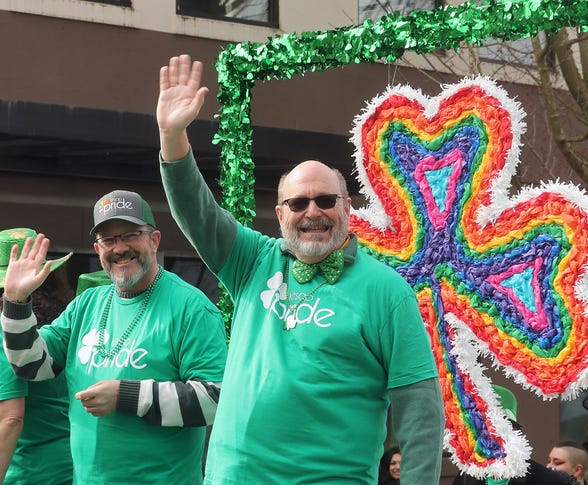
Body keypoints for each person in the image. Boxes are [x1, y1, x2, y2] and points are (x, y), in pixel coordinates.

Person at [157, 54, 445, 483]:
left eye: (326, 200)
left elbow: (420, 410)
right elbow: (196, 211)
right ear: (279, 213)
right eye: (298, 202)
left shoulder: (386, 291)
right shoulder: (254, 260)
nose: (313, 212)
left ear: (347, 209)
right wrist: (172, 135)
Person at [1, 192, 228, 484]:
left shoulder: (191, 307)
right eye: (108, 240)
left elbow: (214, 399)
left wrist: (127, 395)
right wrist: (16, 301)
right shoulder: (87, 304)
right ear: (98, 249)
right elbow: (31, 365)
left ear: (154, 240)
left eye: (131, 235)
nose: (119, 248)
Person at [0, 227, 73, 484]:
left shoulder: (5, 331)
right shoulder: (64, 325)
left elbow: (10, 418)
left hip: (30, 473)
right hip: (68, 467)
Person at [452, 385, 577, 485]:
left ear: (514, 431)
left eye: (497, 427)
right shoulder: (467, 475)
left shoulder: (547, 479)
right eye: (481, 428)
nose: (489, 436)